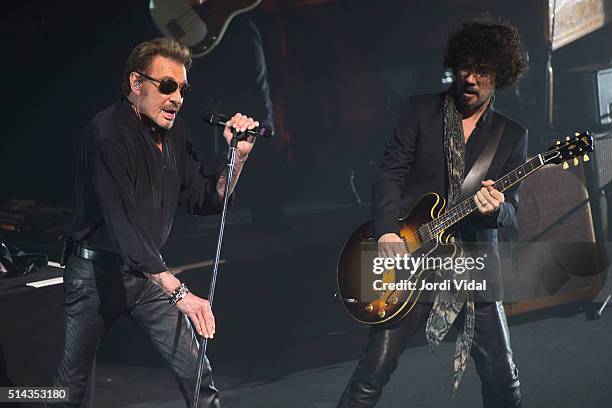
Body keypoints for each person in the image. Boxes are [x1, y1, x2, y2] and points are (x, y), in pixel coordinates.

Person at [48, 37, 260, 408]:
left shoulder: (174, 132)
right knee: (70, 391)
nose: (177, 97)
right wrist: (180, 294)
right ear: (136, 83)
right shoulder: (107, 134)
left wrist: (236, 158)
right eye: (167, 86)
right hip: (95, 276)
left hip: (146, 277)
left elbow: (204, 198)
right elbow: (123, 226)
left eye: (183, 89)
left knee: (196, 370)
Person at [337, 17, 528, 408]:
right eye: (466, 68)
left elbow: (511, 212)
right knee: (371, 374)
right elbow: (390, 174)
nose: (471, 79)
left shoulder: (511, 136)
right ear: (454, 67)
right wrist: (387, 231)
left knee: (502, 379)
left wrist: (495, 209)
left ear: (501, 74)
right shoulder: (421, 110)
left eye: (484, 71)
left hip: (472, 266)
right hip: (411, 259)